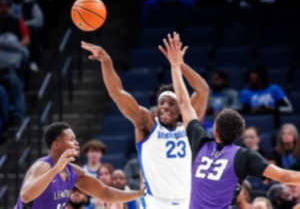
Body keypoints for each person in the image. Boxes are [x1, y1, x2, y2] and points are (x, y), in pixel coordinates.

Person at [163, 31, 300, 209]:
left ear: (215, 130)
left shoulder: (200, 143)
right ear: (239, 135)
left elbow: (183, 102)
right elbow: (286, 177)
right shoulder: (244, 155)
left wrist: (175, 65)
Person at [81, 36, 209, 209]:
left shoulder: (190, 126)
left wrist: (179, 64)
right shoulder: (147, 124)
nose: (164, 106)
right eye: (161, 102)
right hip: (156, 202)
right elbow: (117, 93)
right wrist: (106, 62)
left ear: (180, 109)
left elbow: (202, 90)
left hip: (189, 201)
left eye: (171, 103)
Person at [14, 122, 145, 209]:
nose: (76, 143)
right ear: (56, 145)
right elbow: (25, 195)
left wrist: (138, 193)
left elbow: (105, 193)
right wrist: (55, 170)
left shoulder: (73, 172)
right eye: (71, 139)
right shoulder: (42, 166)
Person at [11, 0, 44, 72]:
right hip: (10, 33)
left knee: (34, 31)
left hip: (26, 31)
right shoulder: (8, 5)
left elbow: (39, 21)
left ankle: (32, 61)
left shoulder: (31, 5)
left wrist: (23, 24)